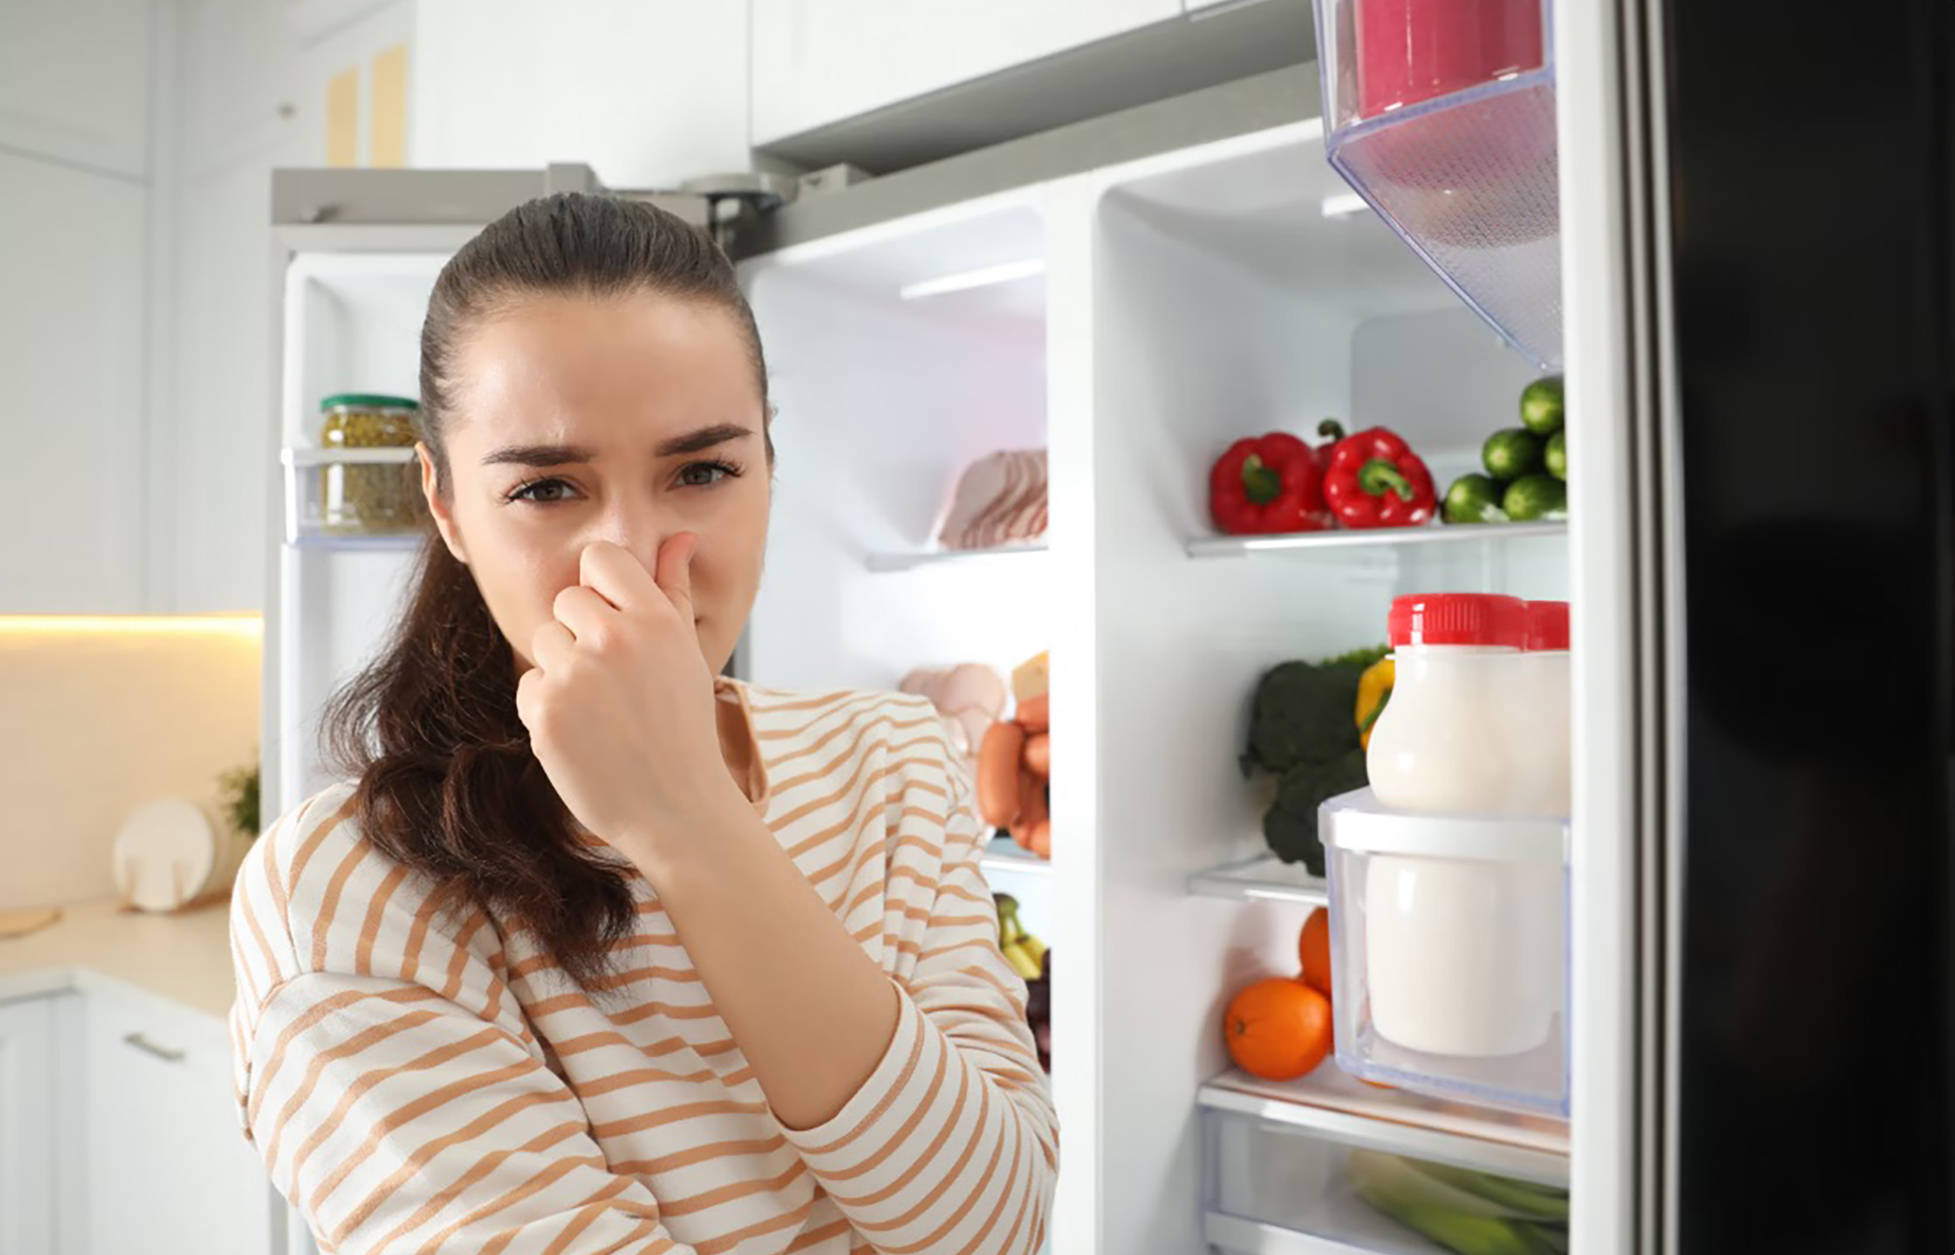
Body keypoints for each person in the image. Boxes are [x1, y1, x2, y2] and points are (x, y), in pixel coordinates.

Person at [226, 193, 1057, 1255]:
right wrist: (673, 810)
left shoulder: (889, 761)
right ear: (444, 506)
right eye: (546, 488)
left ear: (769, 466)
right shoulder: (343, 895)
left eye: (702, 471)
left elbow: (996, 1225)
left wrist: (690, 820)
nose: (628, 557)